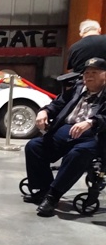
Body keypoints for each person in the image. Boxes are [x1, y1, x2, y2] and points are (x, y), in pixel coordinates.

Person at [23, 57, 106, 217]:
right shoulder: (78, 87)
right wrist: (44, 111)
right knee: (34, 147)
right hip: (65, 131)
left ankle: (53, 196)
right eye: (86, 73)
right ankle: (44, 189)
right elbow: (58, 103)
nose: (89, 76)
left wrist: (91, 122)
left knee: (78, 154)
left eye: (94, 73)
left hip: (94, 136)